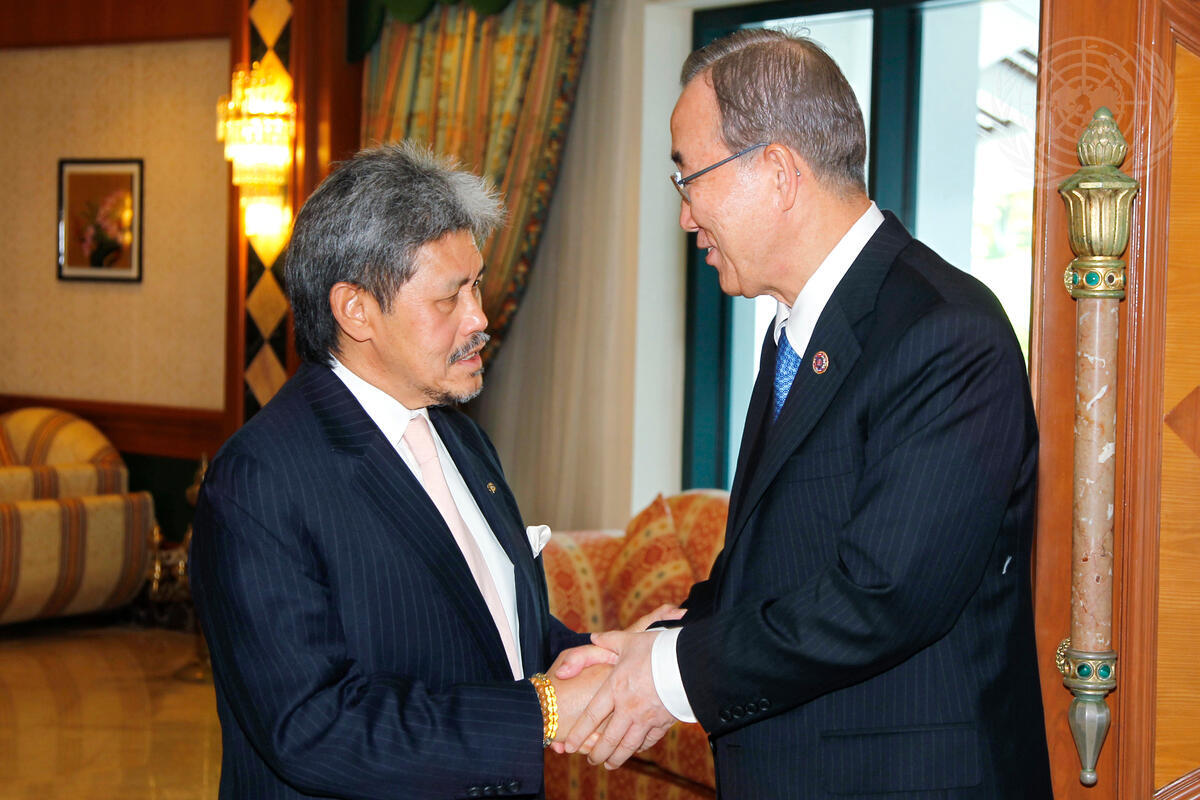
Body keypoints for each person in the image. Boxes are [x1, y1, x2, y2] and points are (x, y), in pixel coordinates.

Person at [561, 29, 1054, 798]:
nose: (686, 216)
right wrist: (657, 641)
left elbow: (883, 597)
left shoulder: (946, 331)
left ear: (778, 172)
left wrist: (669, 676)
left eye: (689, 178)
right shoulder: (798, 330)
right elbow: (780, 566)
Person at [190, 143, 655, 800]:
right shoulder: (259, 481)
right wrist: (543, 710)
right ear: (356, 311)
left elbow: (481, 628)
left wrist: (597, 656)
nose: (480, 317)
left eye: (477, 284)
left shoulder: (461, 437)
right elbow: (313, 728)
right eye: (448, 298)